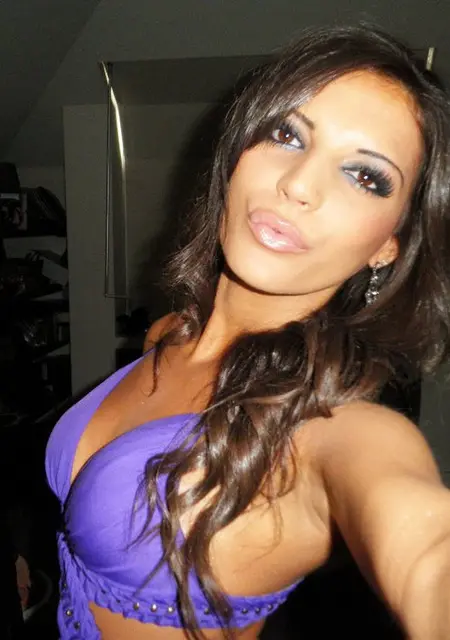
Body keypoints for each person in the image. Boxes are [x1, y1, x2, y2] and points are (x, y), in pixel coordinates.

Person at [46, 22, 450, 640]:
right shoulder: (170, 333)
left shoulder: (328, 433)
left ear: (388, 245)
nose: (299, 184)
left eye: (365, 176)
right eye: (287, 135)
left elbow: (426, 552)